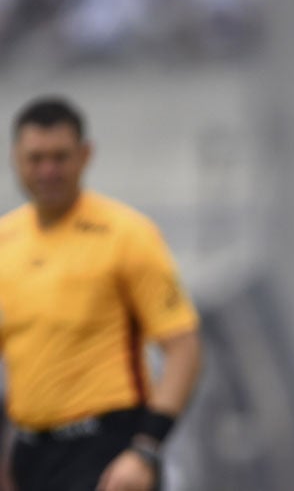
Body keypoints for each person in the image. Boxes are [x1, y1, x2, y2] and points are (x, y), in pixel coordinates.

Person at [0, 97, 201, 491]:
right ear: (15, 159)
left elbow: (184, 348)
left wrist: (145, 450)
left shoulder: (126, 235)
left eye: (60, 157)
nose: (48, 171)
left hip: (106, 450)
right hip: (30, 453)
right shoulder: (6, 240)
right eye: (36, 158)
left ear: (85, 155)